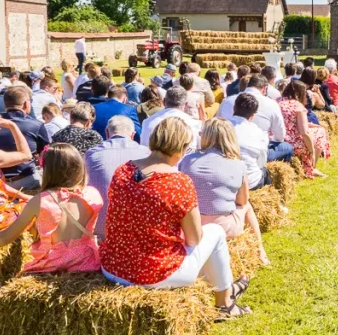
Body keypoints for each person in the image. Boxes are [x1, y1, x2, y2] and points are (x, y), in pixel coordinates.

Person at [99, 117, 249, 319]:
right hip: (154, 274)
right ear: (182, 148)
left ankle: (226, 289)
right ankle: (224, 303)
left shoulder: (123, 171)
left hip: (113, 267)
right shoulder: (178, 182)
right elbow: (194, 238)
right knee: (216, 232)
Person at [0, 143, 102, 274]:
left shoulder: (41, 200)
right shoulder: (93, 194)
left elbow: (7, 236)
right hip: (86, 260)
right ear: (79, 167)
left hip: (51, 264)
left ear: (48, 171)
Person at [180, 119, 269, 267]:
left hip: (191, 226)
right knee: (247, 207)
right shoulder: (238, 164)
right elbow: (242, 201)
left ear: (205, 136)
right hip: (223, 227)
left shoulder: (187, 161)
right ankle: (260, 250)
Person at [83, 115, 149, 239]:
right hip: (135, 229)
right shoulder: (145, 153)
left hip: (100, 229)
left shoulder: (92, 154)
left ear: (107, 132)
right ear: (133, 134)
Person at [0, 86, 52, 192]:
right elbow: (47, 152)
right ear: (26, 104)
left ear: (5, 104)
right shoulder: (36, 125)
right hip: (26, 181)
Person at [278, 80, 329, 179]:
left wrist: (309, 125)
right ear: (299, 93)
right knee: (320, 132)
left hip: (277, 139)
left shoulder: (277, 101)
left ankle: (305, 166)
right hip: (293, 143)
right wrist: (312, 151)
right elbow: (304, 132)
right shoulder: (298, 106)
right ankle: (312, 167)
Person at [140, 87, 202, 151]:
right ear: (186, 104)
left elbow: (144, 150)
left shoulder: (148, 122)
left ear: (163, 101)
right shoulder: (194, 124)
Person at [229, 93, 270, 190]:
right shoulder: (260, 133)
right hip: (250, 182)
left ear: (234, 108)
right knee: (265, 172)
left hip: (222, 179)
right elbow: (261, 162)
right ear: (253, 115)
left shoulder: (219, 126)